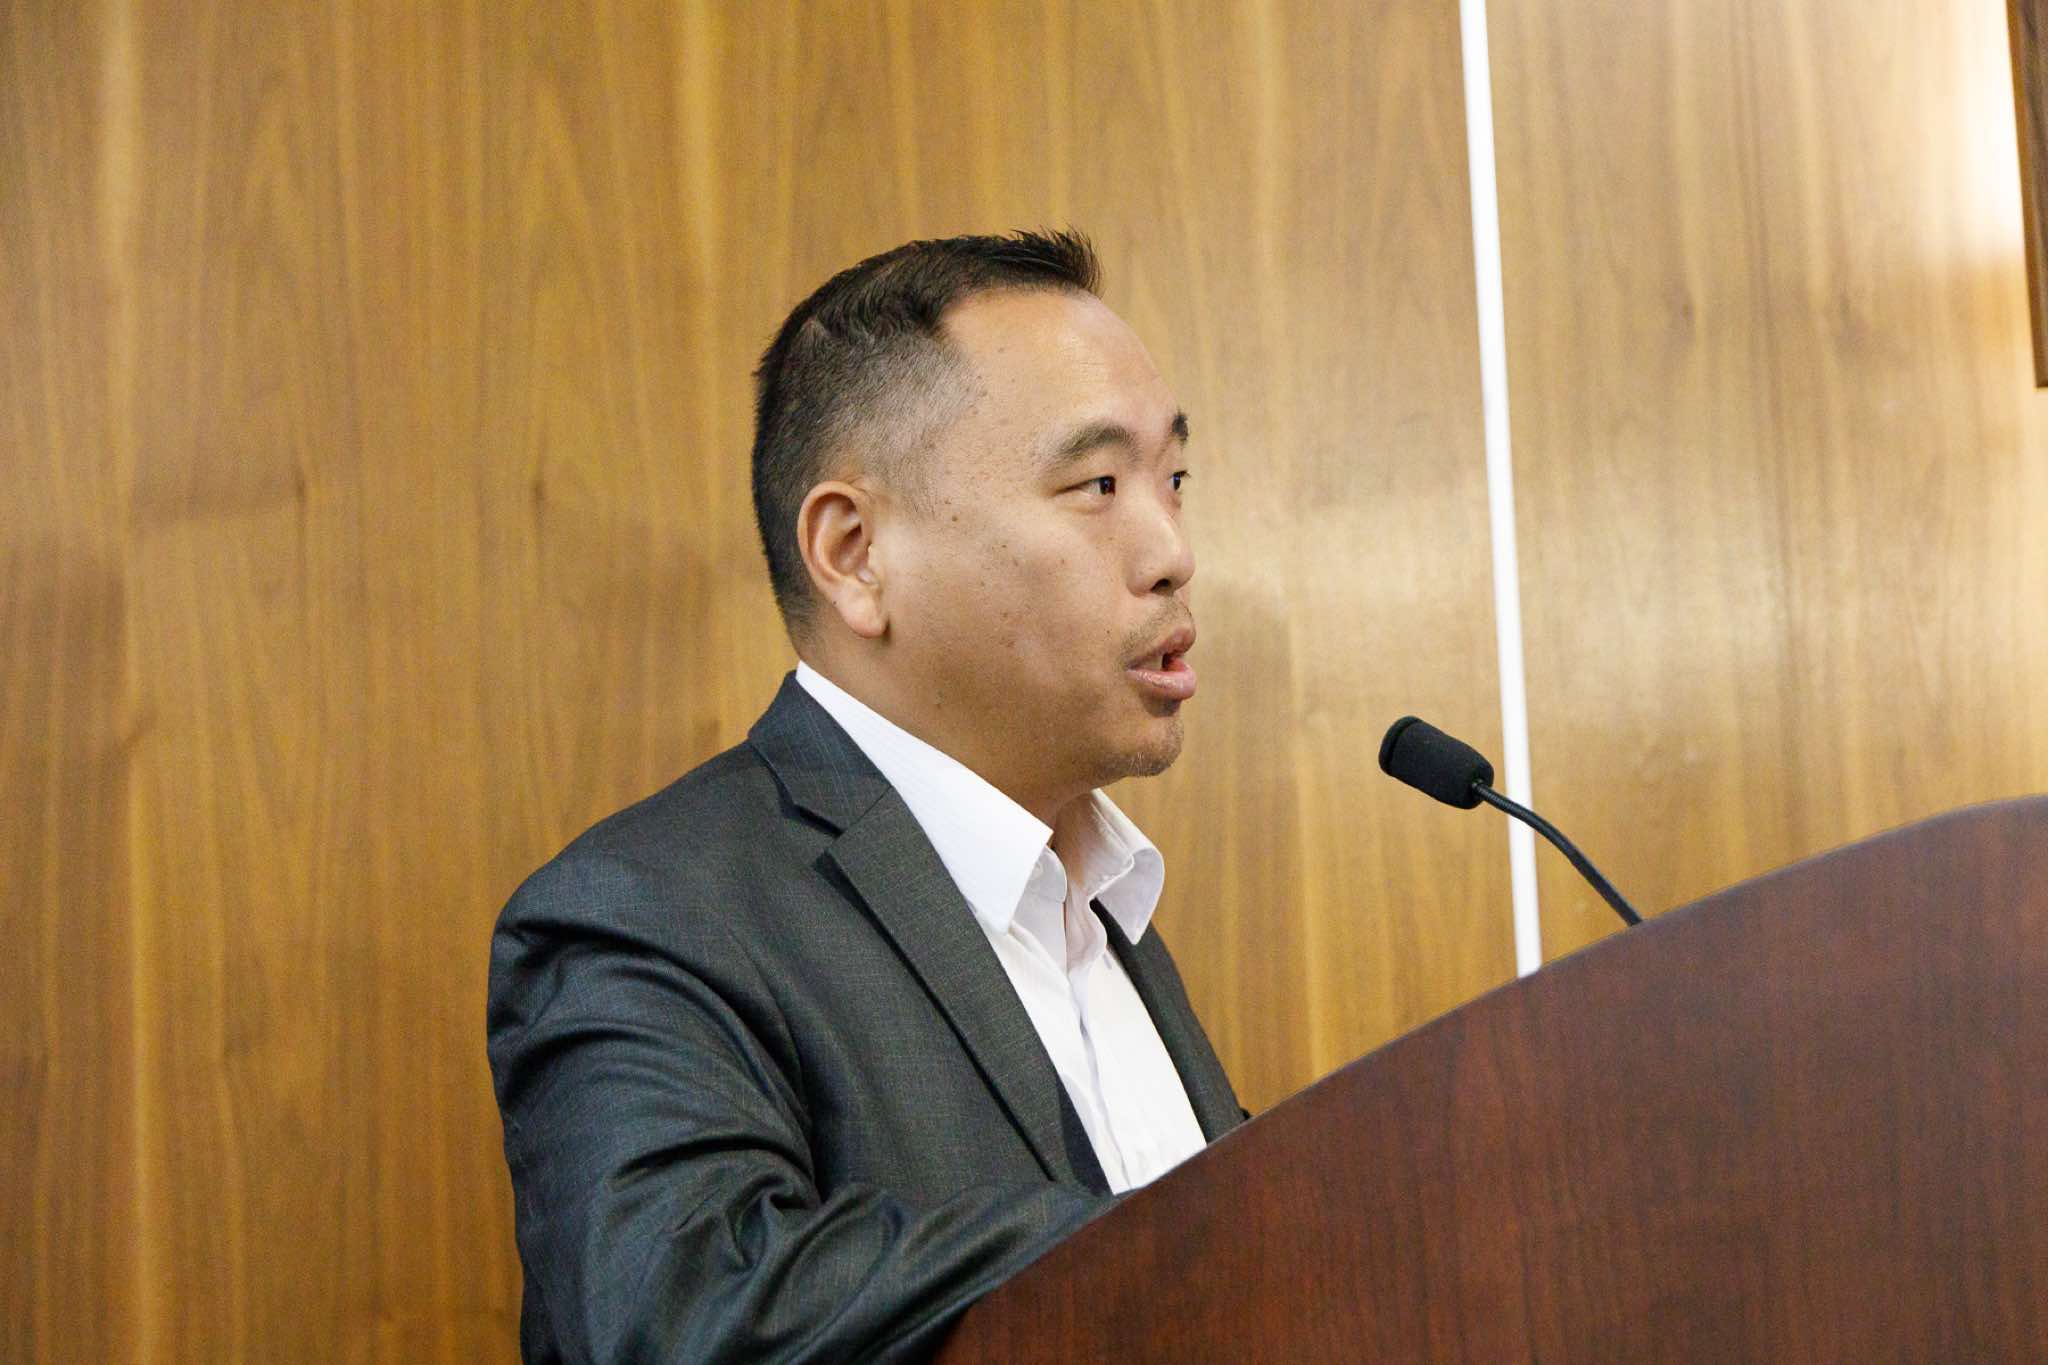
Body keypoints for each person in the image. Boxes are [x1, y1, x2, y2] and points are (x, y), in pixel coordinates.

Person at [486, 230, 1244, 1363]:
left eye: (1171, 481)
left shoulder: (1097, 900)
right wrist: (1214, 1234)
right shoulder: (644, 914)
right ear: (853, 554)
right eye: (1097, 485)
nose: (1171, 550)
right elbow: (679, 1316)